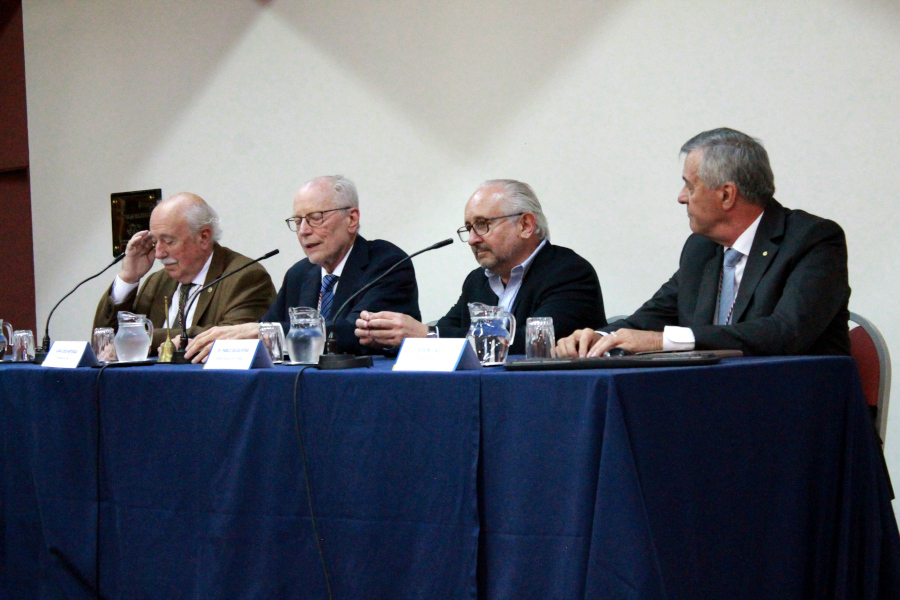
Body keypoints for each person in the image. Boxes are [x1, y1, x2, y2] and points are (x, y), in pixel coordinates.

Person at [557, 128, 851, 358]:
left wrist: (666, 341)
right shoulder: (701, 249)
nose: (681, 197)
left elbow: (786, 332)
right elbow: (652, 317)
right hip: (716, 402)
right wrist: (599, 337)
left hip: (798, 410)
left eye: (689, 185)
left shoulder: (813, 240)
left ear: (726, 195)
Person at [185, 175, 420, 362]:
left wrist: (263, 332)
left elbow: (353, 333)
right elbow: (267, 331)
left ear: (352, 219)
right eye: (297, 221)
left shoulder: (386, 263)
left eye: (315, 218)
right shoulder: (299, 274)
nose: (304, 231)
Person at [355, 179, 605, 354]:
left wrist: (426, 335)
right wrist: (391, 336)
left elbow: (531, 343)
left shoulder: (569, 273)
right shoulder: (477, 281)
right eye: (469, 228)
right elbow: (448, 329)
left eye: (483, 224)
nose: (473, 239)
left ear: (525, 225)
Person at [93, 192, 276, 354]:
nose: (158, 253)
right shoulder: (156, 282)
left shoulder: (245, 277)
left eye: (168, 241)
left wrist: (143, 338)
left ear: (203, 237)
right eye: (155, 241)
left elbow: (229, 337)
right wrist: (128, 278)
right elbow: (105, 342)